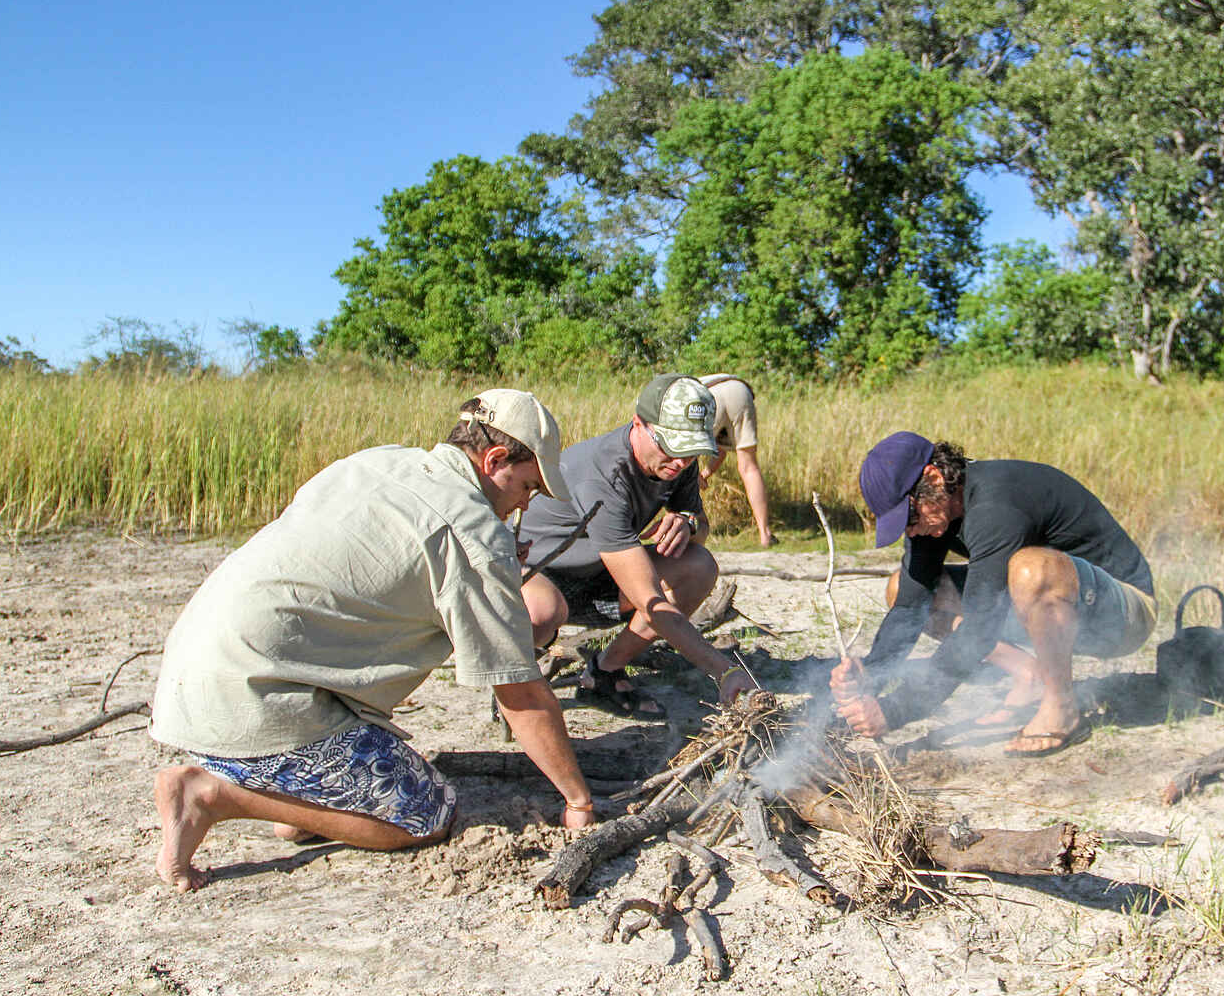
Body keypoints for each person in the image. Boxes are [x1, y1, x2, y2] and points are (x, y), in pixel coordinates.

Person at [149, 390, 596, 892]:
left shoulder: (378, 461)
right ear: (493, 460)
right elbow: (520, 692)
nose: (526, 503)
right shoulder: (472, 532)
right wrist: (578, 800)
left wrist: (492, 563)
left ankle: (296, 801)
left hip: (195, 677)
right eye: (528, 486)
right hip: (252, 704)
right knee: (425, 813)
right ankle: (211, 795)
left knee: (342, 790)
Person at [830, 432, 1156, 757]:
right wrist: (872, 674)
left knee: (1031, 569)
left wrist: (896, 710)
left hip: (1122, 615)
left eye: (910, 518)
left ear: (934, 477)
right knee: (901, 585)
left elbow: (979, 630)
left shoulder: (995, 506)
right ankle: (1030, 674)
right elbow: (909, 606)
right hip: (1051, 613)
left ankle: (1061, 706)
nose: (910, 530)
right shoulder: (939, 509)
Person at [520, 374, 756, 719]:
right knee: (542, 612)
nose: (681, 461)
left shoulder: (680, 463)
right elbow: (650, 602)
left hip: (600, 569)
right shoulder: (604, 476)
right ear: (638, 424)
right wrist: (725, 670)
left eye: (692, 449)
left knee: (699, 566)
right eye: (671, 445)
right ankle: (514, 679)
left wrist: (688, 524)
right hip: (540, 571)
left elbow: (700, 530)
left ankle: (604, 673)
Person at [698, 374, 775, 547]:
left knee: (684, 464)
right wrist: (704, 474)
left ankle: (688, 528)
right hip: (740, 391)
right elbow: (721, 451)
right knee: (749, 468)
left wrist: (695, 475)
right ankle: (765, 534)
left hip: (708, 395)